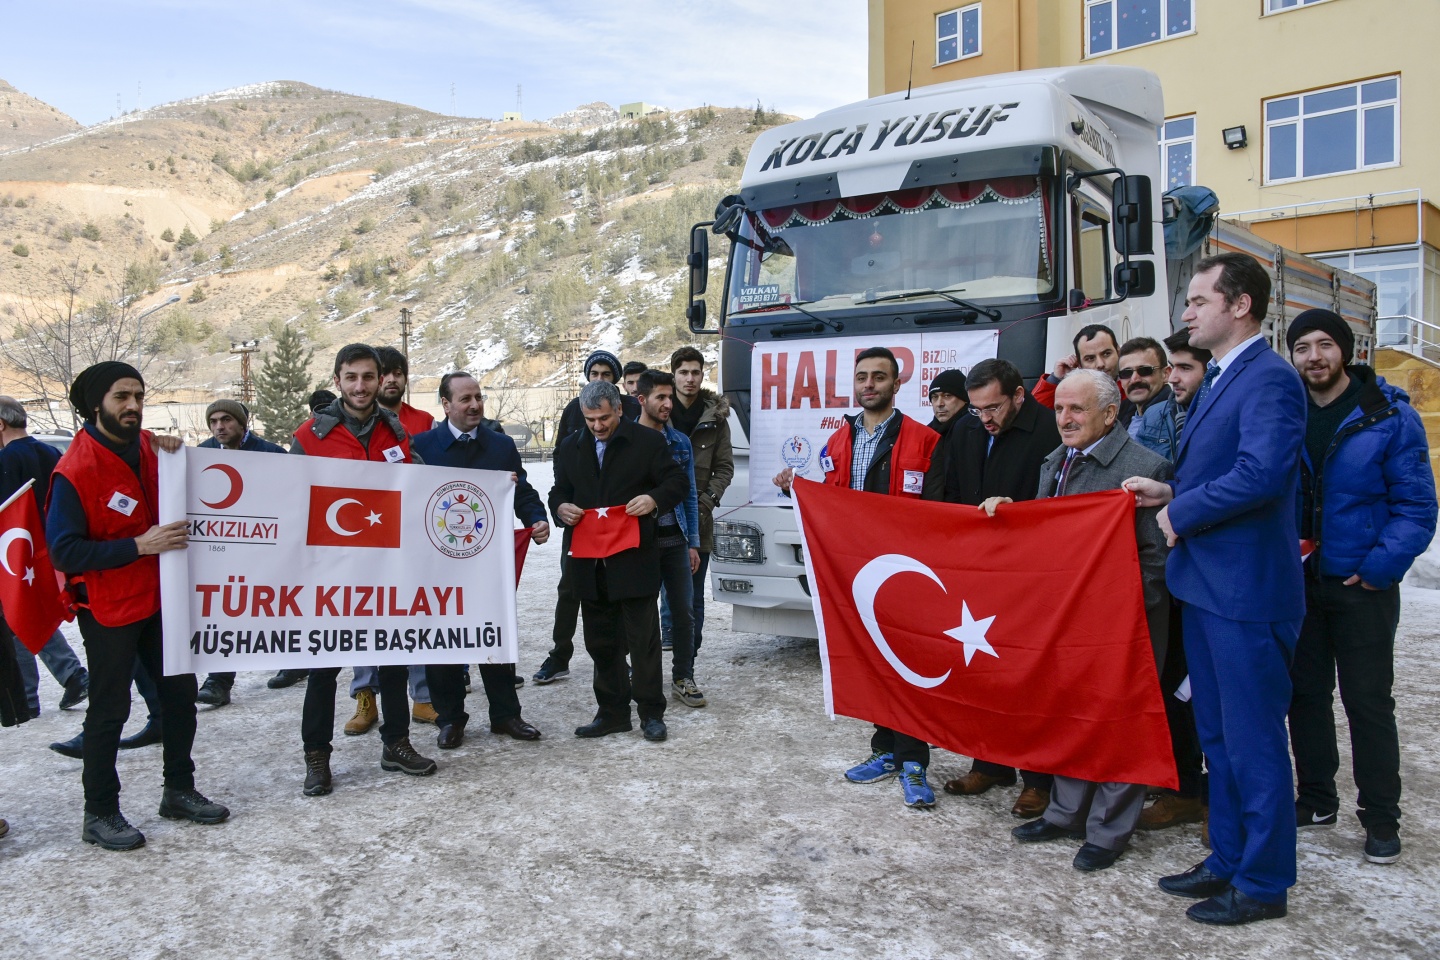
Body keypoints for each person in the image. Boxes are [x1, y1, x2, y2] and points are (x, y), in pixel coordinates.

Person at [1124, 252, 1306, 926]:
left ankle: (1262, 882)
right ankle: (1227, 857)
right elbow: (1222, 467)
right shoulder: (1227, 375)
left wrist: (1184, 511)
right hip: (1209, 587)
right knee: (1220, 738)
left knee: (1254, 744)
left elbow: (1262, 473)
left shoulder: (1270, 378)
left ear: (1240, 305)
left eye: (1199, 300)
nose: (1187, 312)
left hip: (1246, 594)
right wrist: (1169, 490)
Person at [47, 361, 229, 850]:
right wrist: (138, 546)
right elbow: (63, 551)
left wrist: (175, 451)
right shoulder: (74, 469)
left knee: (180, 697)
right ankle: (100, 812)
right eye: (121, 397)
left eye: (139, 396)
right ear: (95, 405)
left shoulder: (153, 448)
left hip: (163, 598)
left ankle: (179, 790)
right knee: (110, 709)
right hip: (110, 608)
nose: (133, 405)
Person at [998, 370, 1172, 872]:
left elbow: (1157, 561)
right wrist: (1010, 517)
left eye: (1077, 409)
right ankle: (1065, 813)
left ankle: (1109, 831)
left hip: (1124, 626)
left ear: (1110, 414)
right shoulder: (1055, 462)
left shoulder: (1145, 467)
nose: (1064, 418)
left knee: (1121, 725)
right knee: (1071, 715)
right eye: (1059, 409)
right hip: (1068, 622)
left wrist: (1117, 609)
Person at [1284, 309, 1436, 865]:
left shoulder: (1389, 415)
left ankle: (1381, 817)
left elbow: (1416, 506)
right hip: (1300, 581)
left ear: (1346, 351)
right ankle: (1316, 799)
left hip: (1362, 586)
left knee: (1368, 701)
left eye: (1325, 344)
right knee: (1305, 696)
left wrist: (1378, 568)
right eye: (1303, 347)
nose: (1315, 357)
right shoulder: (1287, 412)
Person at [775, 347, 941, 808]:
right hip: (858, 574)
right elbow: (833, 504)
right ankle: (884, 749)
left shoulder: (925, 440)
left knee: (907, 667)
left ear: (897, 384)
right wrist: (796, 491)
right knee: (874, 663)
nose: (869, 384)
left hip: (906, 573)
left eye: (879, 377)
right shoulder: (838, 441)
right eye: (863, 376)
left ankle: (914, 761)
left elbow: (939, 510)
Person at [290, 344, 436, 795]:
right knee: (323, 667)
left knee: (393, 660)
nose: (360, 386)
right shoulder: (310, 436)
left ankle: (396, 743)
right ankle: (317, 756)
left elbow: (420, 487)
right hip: (331, 573)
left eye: (368, 377)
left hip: (386, 568)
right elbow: (287, 499)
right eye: (351, 377)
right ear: (337, 380)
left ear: (378, 380)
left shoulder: (396, 432)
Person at [924, 357, 1061, 818]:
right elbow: (948, 492)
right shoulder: (966, 428)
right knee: (982, 670)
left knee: (1030, 676)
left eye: (993, 408)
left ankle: (1038, 779)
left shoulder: (1049, 430)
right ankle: (990, 762)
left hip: (1031, 575)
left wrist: (1016, 511)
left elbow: (1061, 504)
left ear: (1019, 395)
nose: (984, 418)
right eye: (976, 409)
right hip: (976, 572)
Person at [411, 372, 550, 749]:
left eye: (478, 397)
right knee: (443, 642)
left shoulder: (501, 445)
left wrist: (536, 518)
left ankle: (505, 714)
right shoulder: (422, 446)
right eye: (465, 399)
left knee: (494, 635)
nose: (475, 405)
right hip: (438, 566)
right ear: (445, 405)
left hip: (489, 562)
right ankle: (450, 719)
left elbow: (521, 491)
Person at [549, 379, 687, 742]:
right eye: (590, 419)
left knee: (643, 643)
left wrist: (654, 499)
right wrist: (560, 507)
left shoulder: (648, 442)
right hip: (589, 563)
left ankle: (651, 713)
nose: (598, 426)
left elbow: (677, 482)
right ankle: (611, 713)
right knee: (600, 642)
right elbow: (559, 490)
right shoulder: (571, 446)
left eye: (604, 418)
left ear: (620, 409)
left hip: (634, 559)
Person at [1135, 327, 1215, 835]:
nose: (1173, 377)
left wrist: (1174, 500)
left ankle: (1213, 798)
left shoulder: (1218, 413)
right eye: (1174, 367)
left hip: (1215, 571)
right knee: (1171, 688)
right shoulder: (1155, 417)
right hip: (1174, 574)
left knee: (1212, 695)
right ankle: (1182, 787)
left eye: (1186, 368)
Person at [343, 346, 440, 727]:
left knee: (410, 617)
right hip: (353, 545)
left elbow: (427, 475)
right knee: (360, 621)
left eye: (398, 372)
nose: (390, 380)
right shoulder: (328, 428)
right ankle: (365, 697)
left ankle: (423, 697)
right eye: (384, 373)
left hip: (403, 540)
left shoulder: (414, 424)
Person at [534, 350, 640, 685]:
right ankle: (559, 654)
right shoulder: (573, 409)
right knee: (569, 588)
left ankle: (619, 658)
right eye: (594, 373)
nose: (599, 379)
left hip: (620, 520)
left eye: (606, 374)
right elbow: (561, 458)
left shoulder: (631, 408)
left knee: (618, 591)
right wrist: (563, 503)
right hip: (581, 522)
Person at [193, 399, 288, 707]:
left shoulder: (272, 454)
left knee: (276, 608)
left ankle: (296, 661)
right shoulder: (201, 455)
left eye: (226, 420)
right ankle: (218, 681)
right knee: (226, 610)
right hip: (224, 550)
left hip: (268, 547)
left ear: (242, 423)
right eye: (213, 421)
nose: (219, 426)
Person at [0, 396, 89, 716]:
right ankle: (67, 678)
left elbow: (6, 515)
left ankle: (28, 697)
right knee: (25, 613)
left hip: (17, 552)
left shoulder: (6, 459)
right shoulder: (50, 452)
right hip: (49, 548)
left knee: (16, 616)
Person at [633, 370, 705, 708]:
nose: (667, 404)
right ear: (641, 400)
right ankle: (643, 679)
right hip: (640, 543)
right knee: (641, 615)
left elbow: (689, 495)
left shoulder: (680, 443)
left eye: (669, 397)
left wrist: (692, 542)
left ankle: (683, 677)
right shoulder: (626, 440)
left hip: (676, 539)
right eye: (660, 397)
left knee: (684, 612)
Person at [665, 346, 733, 673]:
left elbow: (725, 468)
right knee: (655, 595)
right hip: (660, 517)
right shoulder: (659, 411)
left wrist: (704, 503)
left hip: (699, 521)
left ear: (703, 375)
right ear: (673, 375)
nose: (689, 378)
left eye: (695, 372)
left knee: (691, 597)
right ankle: (652, 657)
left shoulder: (716, 418)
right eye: (683, 372)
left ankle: (687, 664)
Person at [1031, 324, 1130, 419]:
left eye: (1106, 354)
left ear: (1118, 352)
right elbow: (1033, 415)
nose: (1100, 364)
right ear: (1079, 364)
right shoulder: (1074, 392)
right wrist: (1055, 379)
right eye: (1090, 358)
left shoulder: (1134, 382)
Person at [1118, 337, 1181, 461]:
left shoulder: (1177, 415)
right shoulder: (1119, 416)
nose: (1134, 379)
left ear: (1166, 374)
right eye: (1126, 373)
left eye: (1144, 370)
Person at [925, 368, 969, 437]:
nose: (939, 404)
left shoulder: (977, 431)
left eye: (947, 396)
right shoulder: (925, 435)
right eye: (935, 397)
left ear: (965, 399)